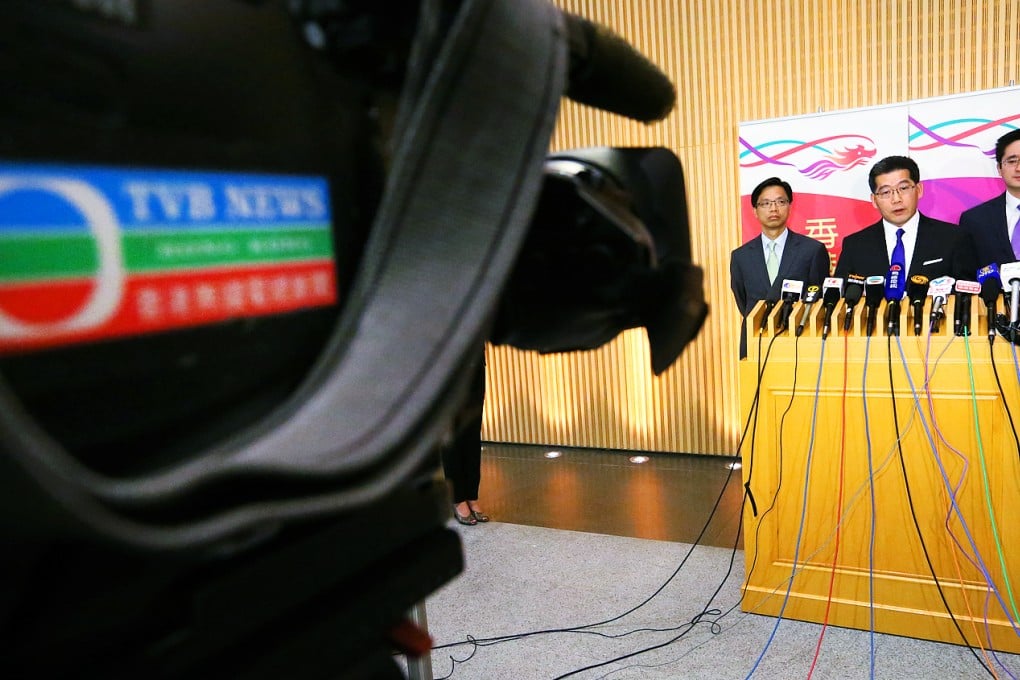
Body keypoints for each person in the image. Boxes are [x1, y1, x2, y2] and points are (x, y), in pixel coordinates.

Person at [730, 177, 830, 357]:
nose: (773, 208)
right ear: (755, 210)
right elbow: (743, 300)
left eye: (780, 202)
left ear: (790, 206)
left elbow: (818, 300)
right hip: (755, 341)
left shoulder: (812, 250)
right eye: (766, 203)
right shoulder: (740, 256)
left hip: (800, 342)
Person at [834, 155, 960, 281]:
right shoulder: (854, 246)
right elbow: (840, 295)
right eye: (885, 192)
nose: (896, 199)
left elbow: (970, 295)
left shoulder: (953, 238)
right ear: (874, 200)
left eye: (903, 188)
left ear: (919, 190)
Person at [954, 129, 1020, 276]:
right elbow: (967, 276)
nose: (1018, 168)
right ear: (999, 169)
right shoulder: (975, 220)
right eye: (1012, 161)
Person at [441, 356, 489, 526]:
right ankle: (458, 499)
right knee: (451, 436)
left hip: (474, 361)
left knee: (472, 434)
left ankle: (471, 495)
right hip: (447, 366)